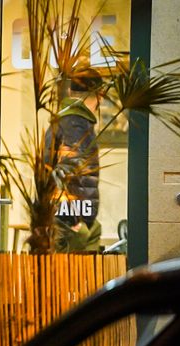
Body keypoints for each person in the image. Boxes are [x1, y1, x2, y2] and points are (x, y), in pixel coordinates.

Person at [46, 68, 103, 252]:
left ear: (71, 92)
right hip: (71, 225)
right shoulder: (76, 123)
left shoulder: (63, 120)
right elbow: (73, 173)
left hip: (61, 218)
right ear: (100, 95)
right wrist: (77, 221)